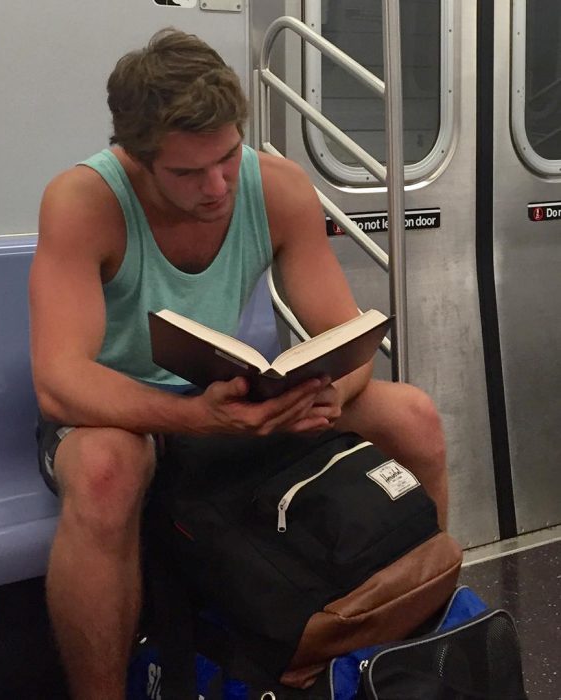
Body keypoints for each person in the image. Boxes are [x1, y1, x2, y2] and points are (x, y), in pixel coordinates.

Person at [29, 28, 447, 700]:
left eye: (227, 157)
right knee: (107, 473)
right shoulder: (84, 203)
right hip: (121, 411)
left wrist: (327, 396)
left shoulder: (276, 187)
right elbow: (60, 380)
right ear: (136, 159)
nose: (218, 185)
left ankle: (418, 647)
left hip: (220, 397)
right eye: (187, 174)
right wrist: (191, 418)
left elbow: (346, 335)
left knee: (413, 416)